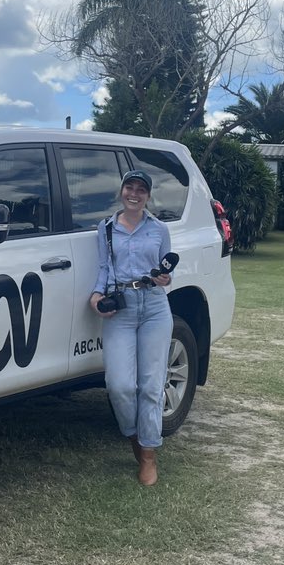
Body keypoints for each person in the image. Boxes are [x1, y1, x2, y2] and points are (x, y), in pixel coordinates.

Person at [89, 170, 173, 486]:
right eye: (129, 187)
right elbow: (103, 268)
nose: (134, 194)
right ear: (122, 191)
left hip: (153, 306)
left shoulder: (159, 229)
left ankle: (148, 456)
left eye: (141, 189)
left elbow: (167, 270)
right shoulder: (106, 229)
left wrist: (166, 278)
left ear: (148, 196)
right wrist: (96, 295)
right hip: (121, 308)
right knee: (120, 385)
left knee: (152, 385)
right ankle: (135, 437)